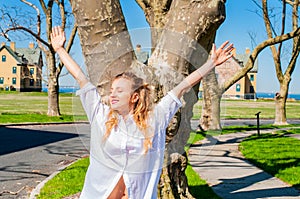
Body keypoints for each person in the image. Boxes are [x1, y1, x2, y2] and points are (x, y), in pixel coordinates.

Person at [50, 26, 233, 199]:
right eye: (112, 90)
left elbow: (181, 88)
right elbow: (81, 78)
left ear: (135, 97)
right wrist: (59, 49)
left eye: (120, 91)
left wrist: (211, 63)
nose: (113, 94)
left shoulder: (155, 119)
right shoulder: (100, 115)